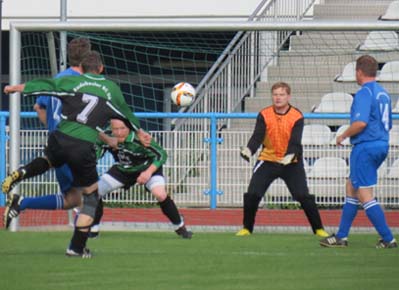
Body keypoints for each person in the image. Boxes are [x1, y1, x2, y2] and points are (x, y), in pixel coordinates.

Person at [2, 50, 151, 258]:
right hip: (82, 148)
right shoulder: (111, 88)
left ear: (83, 69)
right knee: (91, 198)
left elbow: (44, 85)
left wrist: (14, 88)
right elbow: (125, 112)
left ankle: (20, 173)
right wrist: (141, 132)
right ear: (101, 69)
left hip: (60, 137)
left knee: (48, 161)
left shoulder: (73, 82)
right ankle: (76, 247)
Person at [13, 37, 105, 237]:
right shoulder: (81, 83)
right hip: (75, 146)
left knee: (71, 198)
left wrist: (53, 129)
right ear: (88, 56)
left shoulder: (58, 79)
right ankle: (83, 238)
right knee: (91, 193)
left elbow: (39, 106)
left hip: (57, 145)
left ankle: (23, 202)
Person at [320, 55, 397, 249]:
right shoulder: (384, 93)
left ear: (359, 72)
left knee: (364, 192)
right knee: (351, 187)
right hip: (381, 143)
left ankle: (388, 239)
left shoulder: (364, 93)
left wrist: (342, 135)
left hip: (366, 146)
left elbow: (361, 123)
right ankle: (341, 236)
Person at [236, 81, 329, 238]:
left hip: (291, 162)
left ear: (288, 96)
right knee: (252, 194)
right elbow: (257, 136)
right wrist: (249, 150)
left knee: (303, 196)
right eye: (275, 95)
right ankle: (247, 228)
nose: (278, 98)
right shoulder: (264, 114)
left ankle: (318, 228)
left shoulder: (296, 116)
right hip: (268, 160)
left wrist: (290, 155)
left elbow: (295, 141)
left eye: (281, 95)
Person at [95, 119, 192, 238]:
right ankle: (93, 229)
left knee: (160, 194)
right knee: (95, 191)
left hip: (148, 169)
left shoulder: (141, 138)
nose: (119, 133)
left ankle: (179, 225)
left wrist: (147, 173)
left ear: (129, 128)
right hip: (124, 169)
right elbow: (95, 154)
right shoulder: (106, 137)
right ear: (111, 128)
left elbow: (161, 155)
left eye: (123, 129)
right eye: (116, 129)